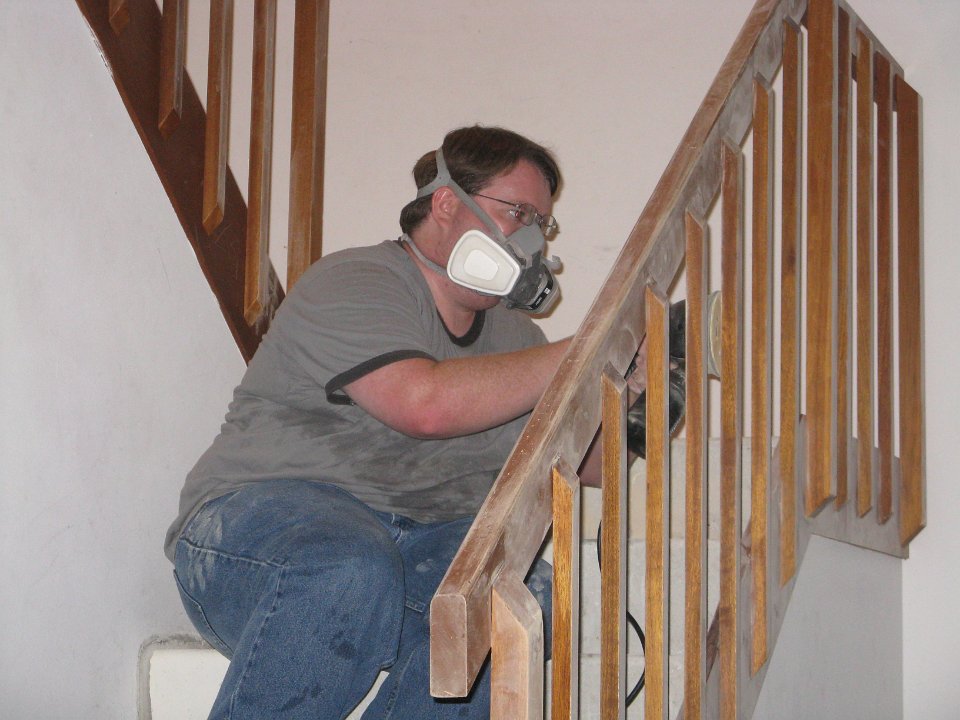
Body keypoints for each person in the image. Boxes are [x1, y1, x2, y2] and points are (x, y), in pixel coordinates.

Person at [165, 125, 595, 719]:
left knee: (518, 598)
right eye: (517, 212)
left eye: (541, 223)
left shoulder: (519, 341)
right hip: (257, 533)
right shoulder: (355, 280)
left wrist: (626, 386)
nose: (531, 240)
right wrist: (582, 351)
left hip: (417, 546)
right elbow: (423, 406)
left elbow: (589, 465)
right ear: (446, 202)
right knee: (349, 564)